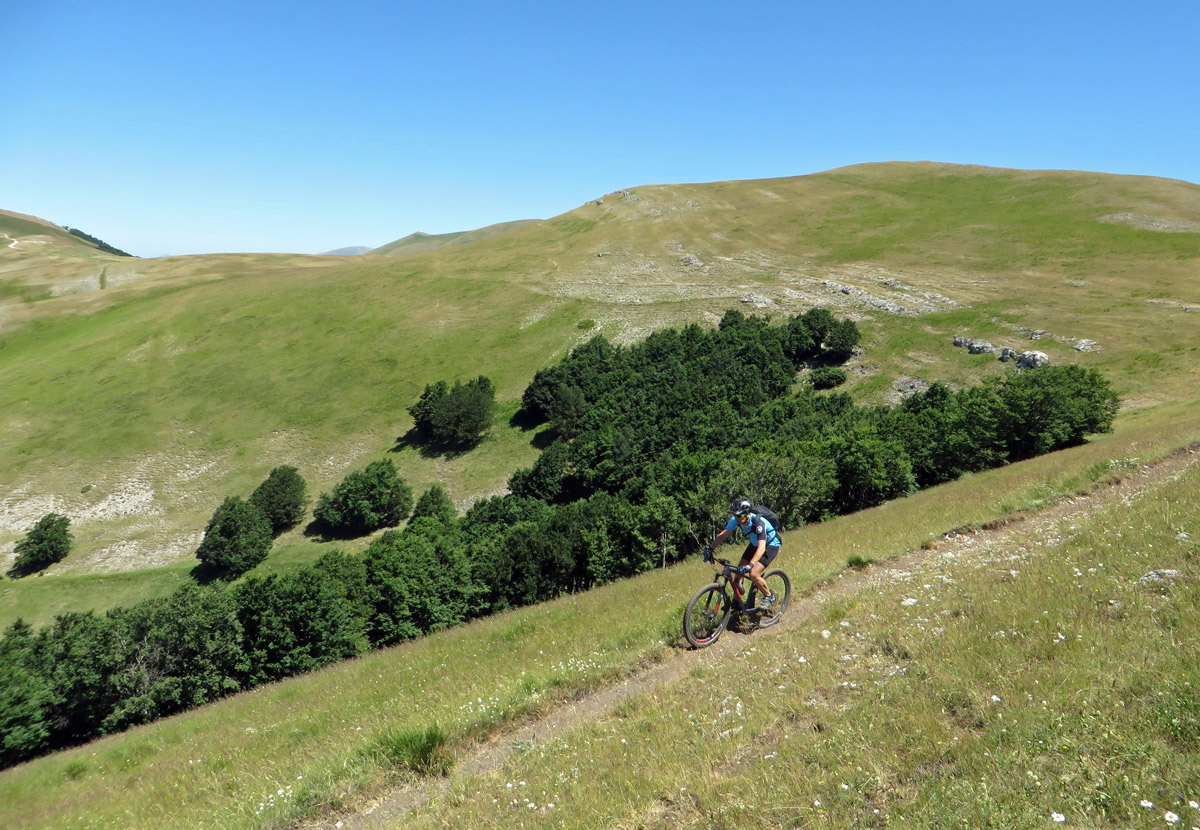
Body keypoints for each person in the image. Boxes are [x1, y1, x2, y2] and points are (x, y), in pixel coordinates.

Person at [704, 497, 780, 611]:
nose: (737, 518)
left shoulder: (758, 522)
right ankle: (737, 603)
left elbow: (762, 547)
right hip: (754, 544)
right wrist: (710, 549)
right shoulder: (736, 519)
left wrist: (750, 565)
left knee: (753, 574)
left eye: (740, 516)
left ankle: (769, 596)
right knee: (738, 574)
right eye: (735, 515)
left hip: (770, 545)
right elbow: (723, 535)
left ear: (747, 513)